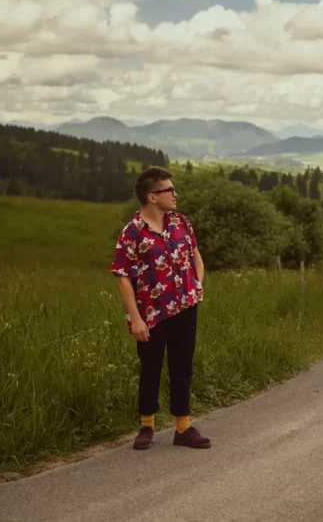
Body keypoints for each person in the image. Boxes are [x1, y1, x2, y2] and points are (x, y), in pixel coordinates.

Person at [110, 167, 210, 450]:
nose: (175, 194)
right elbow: (123, 276)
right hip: (151, 314)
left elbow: (196, 259)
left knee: (182, 367)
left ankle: (183, 428)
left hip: (186, 307)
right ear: (153, 197)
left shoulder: (181, 223)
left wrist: (196, 285)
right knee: (150, 368)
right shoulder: (132, 233)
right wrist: (136, 319)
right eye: (170, 190)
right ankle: (147, 426)